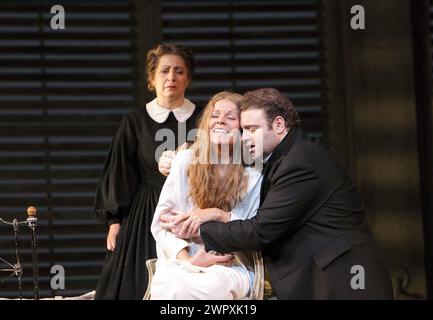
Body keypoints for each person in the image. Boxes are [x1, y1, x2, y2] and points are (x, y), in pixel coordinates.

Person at [160, 88, 393, 299]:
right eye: (243, 130)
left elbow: (261, 230)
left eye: (252, 129)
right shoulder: (284, 157)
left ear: (279, 125)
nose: (245, 137)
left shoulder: (299, 162)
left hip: (347, 276)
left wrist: (198, 229)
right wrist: (188, 151)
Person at [93, 44, 201, 299]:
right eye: (164, 71)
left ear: (188, 78)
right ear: (152, 78)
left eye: (179, 71)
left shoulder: (203, 119)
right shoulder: (135, 121)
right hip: (146, 211)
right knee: (138, 283)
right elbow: (120, 170)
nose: (171, 77)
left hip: (191, 210)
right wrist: (114, 220)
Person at [150, 92, 263, 300]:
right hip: (182, 260)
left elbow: (248, 230)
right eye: (215, 115)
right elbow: (161, 223)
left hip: (230, 263)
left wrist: (212, 214)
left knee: (211, 286)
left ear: (242, 129)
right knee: (172, 286)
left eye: (230, 117)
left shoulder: (253, 176)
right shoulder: (185, 161)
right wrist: (188, 260)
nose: (220, 120)